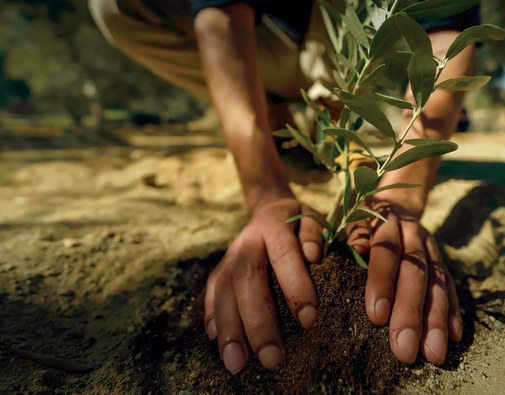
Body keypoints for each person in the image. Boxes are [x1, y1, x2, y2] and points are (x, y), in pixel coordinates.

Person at [89, 0, 478, 375]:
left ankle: (326, 116)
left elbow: (446, 32)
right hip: (258, 38)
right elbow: (219, 13)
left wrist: (400, 195)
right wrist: (265, 193)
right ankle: (272, 116)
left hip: (349, 51)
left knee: (348, 70)